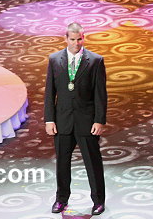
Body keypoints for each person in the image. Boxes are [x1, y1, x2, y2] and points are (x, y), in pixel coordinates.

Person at [44, 22, 107, 216]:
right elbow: (49, 92)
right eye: (72, 39)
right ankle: (61, 199)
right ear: (66, 38)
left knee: (93, 163)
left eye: (79, 39)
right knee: (62, 163)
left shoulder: (95, 61)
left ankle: (98, 201)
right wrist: (49, 119)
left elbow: (100, 94)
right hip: (62, 120)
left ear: (83, 38)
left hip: (86, 121)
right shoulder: (55, 59)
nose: (76, 43)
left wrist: (99, 120)